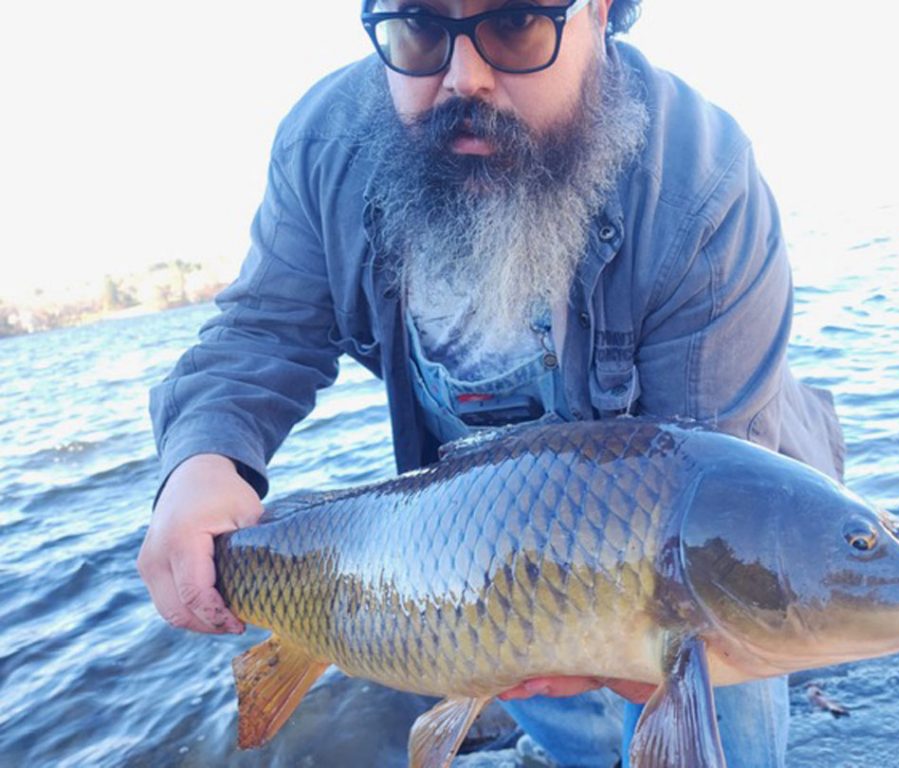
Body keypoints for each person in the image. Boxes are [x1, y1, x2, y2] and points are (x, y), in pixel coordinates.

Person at [137, 1, 845, 766]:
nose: (462, 79)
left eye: (515, 25)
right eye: (419, 30)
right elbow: (264, 330)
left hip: (673, 516)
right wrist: (201, 463)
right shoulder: (323, 147)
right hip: (481, 562)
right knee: (556, 713)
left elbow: (711, 485)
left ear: (601, 13)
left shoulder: (704, 182)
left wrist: (651, 651)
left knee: (716, 719)